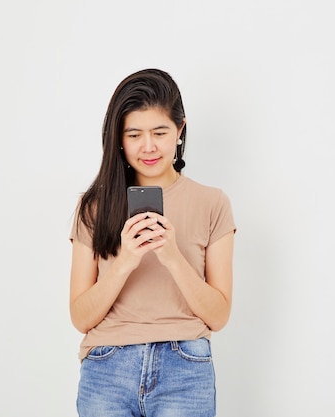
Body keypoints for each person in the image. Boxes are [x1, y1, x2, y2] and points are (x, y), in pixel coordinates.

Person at [69, 68, 236, 417]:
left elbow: (218, 315)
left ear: (180, 130)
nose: (148, 146)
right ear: (118, 138)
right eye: (134, 134)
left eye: (160, 132)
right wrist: (125, 261)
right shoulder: (94, 206)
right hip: (107, 368)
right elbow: (80, 317)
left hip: (185, 368)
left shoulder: (212, 203)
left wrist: (172, 256)